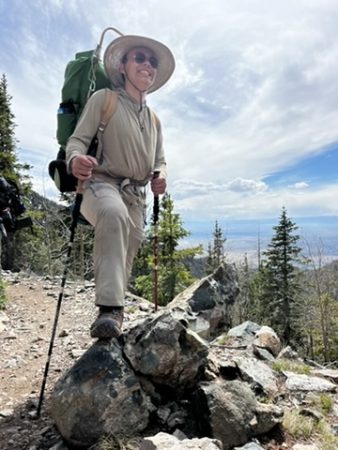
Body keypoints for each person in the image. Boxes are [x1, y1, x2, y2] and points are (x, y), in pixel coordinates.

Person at [65, 33, 175, 339]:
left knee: (128, 246)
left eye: (152, 61)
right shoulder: (105, 100)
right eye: (139, 58)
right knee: (112, 215)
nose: (147, 65)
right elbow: (77, 141)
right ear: (123, 67)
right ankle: (109, 309)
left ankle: (114, 317)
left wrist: (160, 175)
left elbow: (160, 159)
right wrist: (75, 160)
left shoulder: (154, 120)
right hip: (99, 183)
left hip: (136, 195)